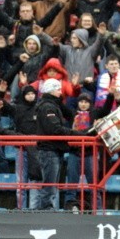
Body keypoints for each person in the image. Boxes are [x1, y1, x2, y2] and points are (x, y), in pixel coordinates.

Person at [35, 79, 85, 210]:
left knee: (51, 184)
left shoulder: (52, 105)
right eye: (57, 89)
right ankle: (45, 211)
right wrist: (75, 134)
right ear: (51, 90)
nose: (60, 92)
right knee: (49, 184)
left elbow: (69, 115)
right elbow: (54, 129)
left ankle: (46, 210)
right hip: (49, 149)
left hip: (52, 149)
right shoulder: (48, 107)